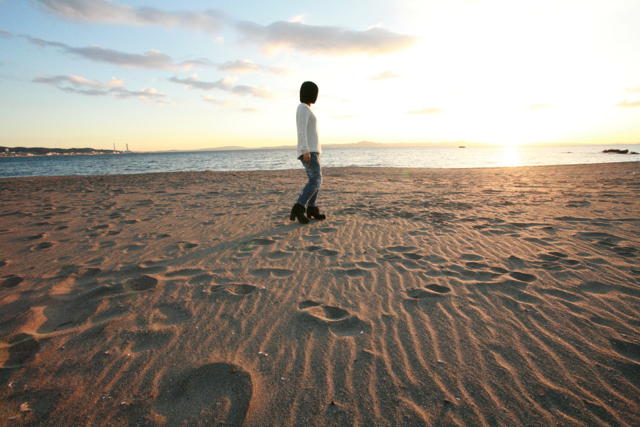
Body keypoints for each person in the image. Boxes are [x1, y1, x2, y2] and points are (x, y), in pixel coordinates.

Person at [290, 81, 326, 224]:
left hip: (313, 151)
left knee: (316, 180)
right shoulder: (303, 108)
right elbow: (302, 130)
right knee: (316, 180)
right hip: (309, 151)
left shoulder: (307, 108)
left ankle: (311, 208)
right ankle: (299, 207)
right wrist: (305, 150)